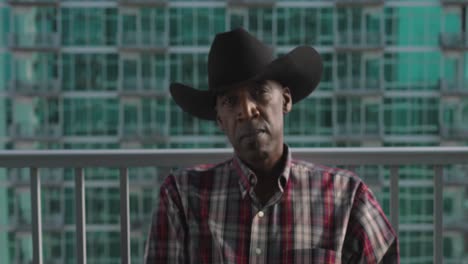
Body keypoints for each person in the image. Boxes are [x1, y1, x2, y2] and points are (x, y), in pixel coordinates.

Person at [144, 28, 399, 263]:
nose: (247, 110)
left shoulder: (347, 196)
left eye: (259, 92)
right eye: (231, 101)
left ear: (286, 100)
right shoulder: (182, 197)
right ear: (220, 119)